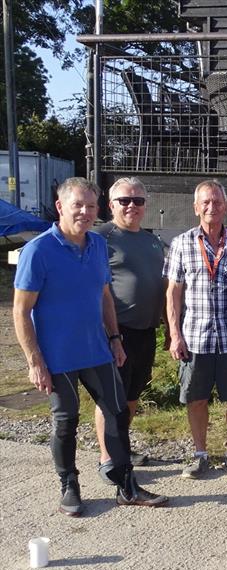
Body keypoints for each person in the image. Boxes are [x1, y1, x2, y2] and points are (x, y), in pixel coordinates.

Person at [13, 177, 167, 516]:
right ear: (60, 207)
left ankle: (126, 485)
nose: (85, 212)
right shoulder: (39, 250)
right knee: (66, 419)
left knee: (117, 412)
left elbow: (104, 296)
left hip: (96, 349)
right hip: (58, 356)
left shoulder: (97, 245)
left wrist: (114, 339)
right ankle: (69, 484)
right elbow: (21, 311)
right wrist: (34, 360)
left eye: (91, 206)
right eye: (77, 205)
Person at [164, 179, 227, 481]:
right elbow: (173, 293)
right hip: (195, 337)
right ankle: (200, 454)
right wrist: (175, 334)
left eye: (217, 201)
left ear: (226, 206)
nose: (211, 206)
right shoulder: (181, 243)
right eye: (205, 202)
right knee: (196, 398)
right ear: (195, 208)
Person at [93, 177, 166, 483]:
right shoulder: (101, 237)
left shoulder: (152, 241)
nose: (131, 206)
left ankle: (121, 446)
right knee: (111, 398)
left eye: (138, 201)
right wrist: (109, 334)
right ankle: (107, 458)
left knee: (133, 393)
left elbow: (162, 286)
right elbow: (95, 287)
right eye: (124, 200)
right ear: (111, 205)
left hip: (145, 331)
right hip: (115, 332)